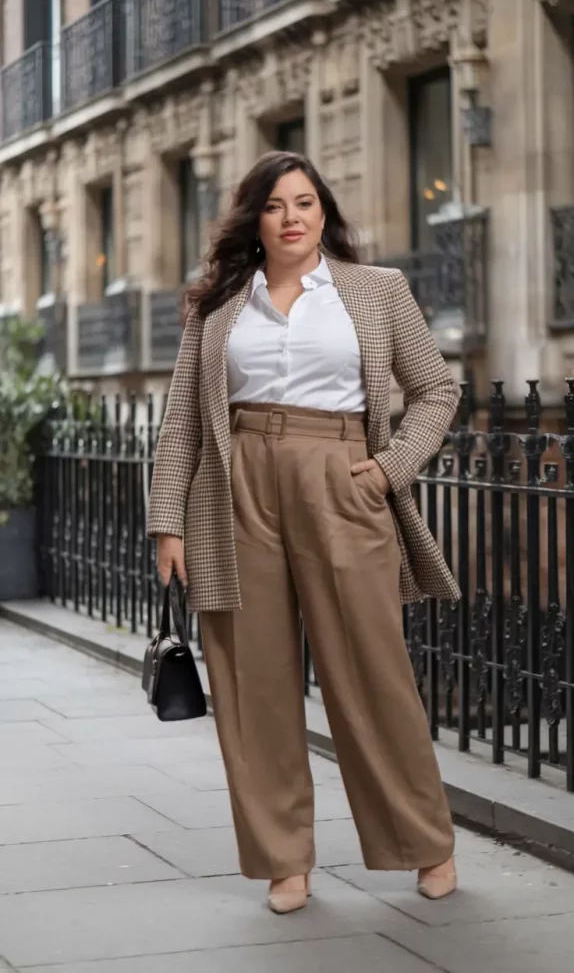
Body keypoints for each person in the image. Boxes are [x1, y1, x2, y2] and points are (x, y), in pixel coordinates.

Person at [148, 151, 460, 915]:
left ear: (324, 213)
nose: (291, 217)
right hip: (236, 485)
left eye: (305, 203)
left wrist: (389, 469)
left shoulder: (376, 289)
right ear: (254, 219)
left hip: (341, 478)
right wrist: (167, 524)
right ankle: (283, 861)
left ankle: (425, 841)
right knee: (252, 685)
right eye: (275, 205)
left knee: (373, 673)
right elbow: (183, 420)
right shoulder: (218, 306)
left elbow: (435, 389)